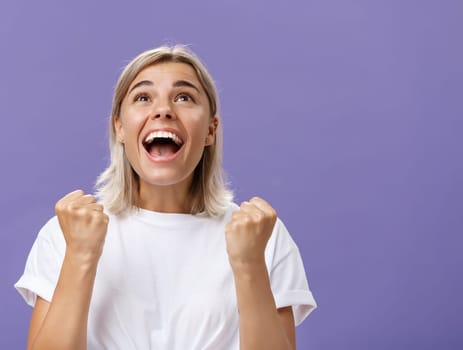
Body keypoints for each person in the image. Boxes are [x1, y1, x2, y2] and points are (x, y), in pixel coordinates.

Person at [14, 45, 316, 350]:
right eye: (143, 97)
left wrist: (249, 263)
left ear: (211, 130)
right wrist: (80, 255)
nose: (163, 110)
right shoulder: (65, 234)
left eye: (184, 97)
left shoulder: (264, 236)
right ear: (119, 127)